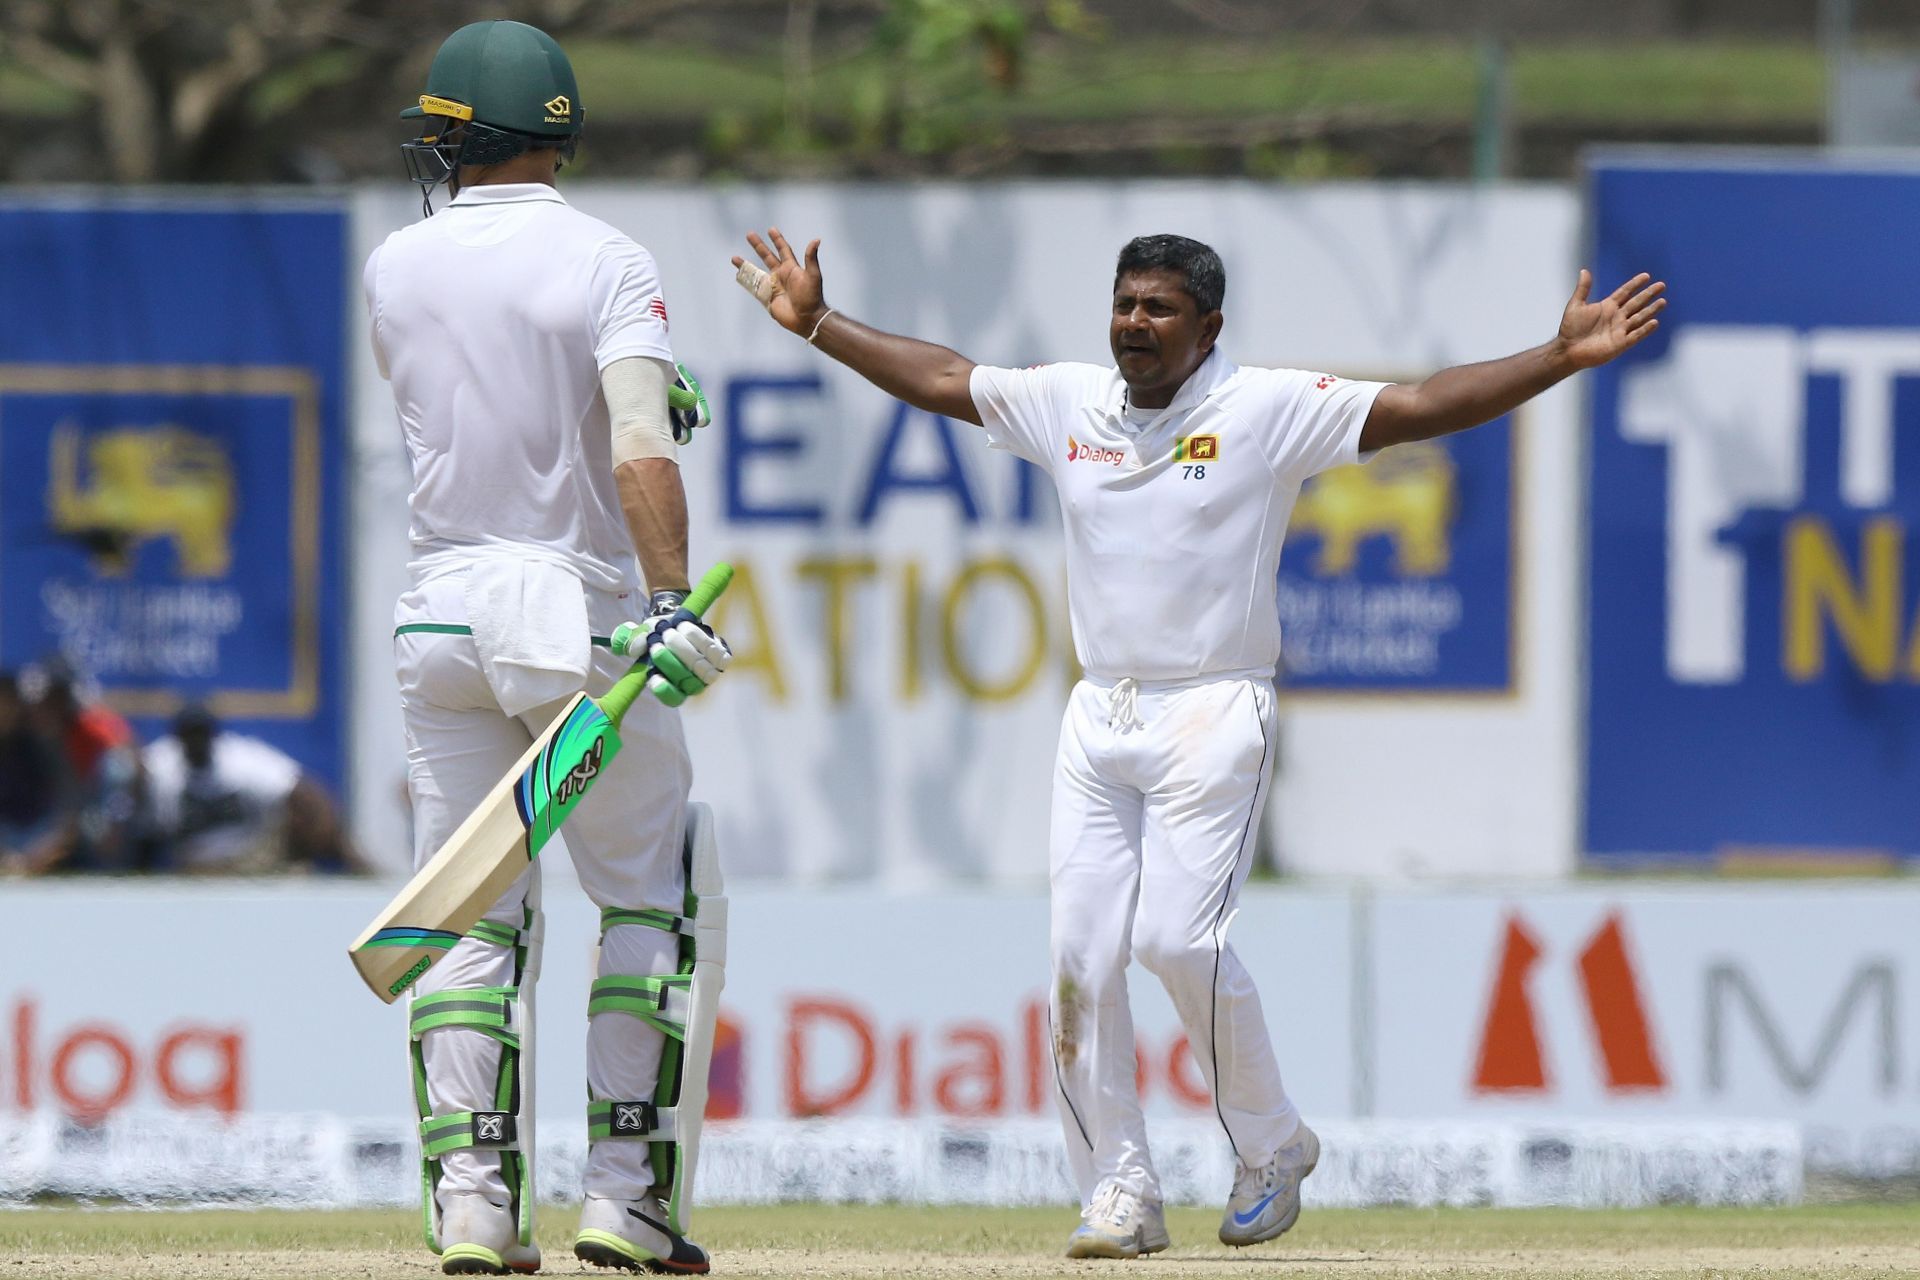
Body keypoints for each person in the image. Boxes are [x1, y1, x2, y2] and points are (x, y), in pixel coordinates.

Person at [732, 228, 1664, 1256]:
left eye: (1160, 308)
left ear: (1208, 326)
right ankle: (1119, 1193)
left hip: (1215, 710)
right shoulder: (1072, 401)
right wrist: (818, 321)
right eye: (1126, 303)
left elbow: (1414, 407)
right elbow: (950, 378)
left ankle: (1272, 1145)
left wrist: (1554, 355)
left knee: (1177, 940)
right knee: (1081, 962)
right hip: (1100, 715)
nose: (1135, 323)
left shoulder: (1262, 408)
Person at [366, 20, 730, 1277]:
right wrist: (673, 596)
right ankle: (625, 1195)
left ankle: (473, 1204)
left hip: (437, 619)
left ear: (464, 133)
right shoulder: (607, 257)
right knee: (650, 894)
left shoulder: (392, 266)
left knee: (471, 916)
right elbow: (640, 441)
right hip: (569, 613)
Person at [141, 703, 363, 874]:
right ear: (178, 737)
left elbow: (304, 792)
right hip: (192, 866)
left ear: (213, 734)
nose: (196, 741)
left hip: (249, 860)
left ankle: (364, 874)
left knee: (305, 813)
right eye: (189, 734)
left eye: (201, 733)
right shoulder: (162, 765)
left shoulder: (240, 761)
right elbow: (133, 776)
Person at [5, 657, 140, 875]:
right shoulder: (31, 733)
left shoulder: (91, 725)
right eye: (44, 699)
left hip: (100, 819)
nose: (46, 705)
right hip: (56, 822)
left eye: (55, 697)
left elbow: (129, 761)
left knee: (117, 772)